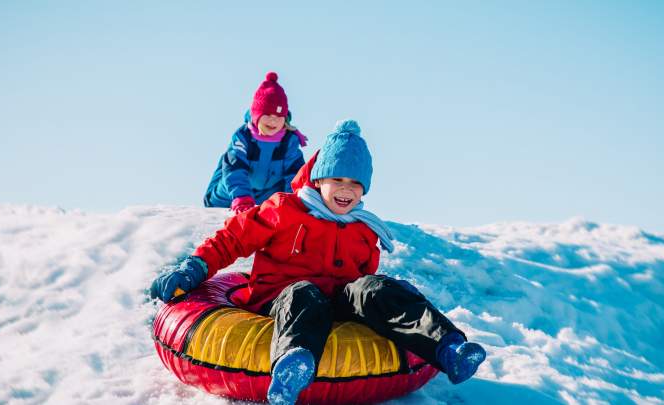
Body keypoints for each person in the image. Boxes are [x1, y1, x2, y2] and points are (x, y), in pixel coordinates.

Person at [153, 120, 486, 404]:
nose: (346, 190)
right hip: (282, 300)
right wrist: (195, 266)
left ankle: (448, 348)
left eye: (355, 184)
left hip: (336, 304)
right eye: (338, 180)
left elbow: (362, 280)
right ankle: (292, 366)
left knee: (375, 288)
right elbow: (234, 238)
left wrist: (376, 299)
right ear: (318, 179)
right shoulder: (285, 210)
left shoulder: (363, 229)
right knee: (305, 292)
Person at [203, 71, 307, 213]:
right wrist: (242, 197)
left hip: (266, 194)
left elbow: (295, 174)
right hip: (231, 192)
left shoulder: (288, 141)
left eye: (279, 116)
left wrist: (294, 203)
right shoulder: (243, 137)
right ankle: (232, 198)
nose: (273, 120)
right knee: (227, 186)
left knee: (282, 195)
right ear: (257, 116)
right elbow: (234, 169)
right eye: (268, 115)